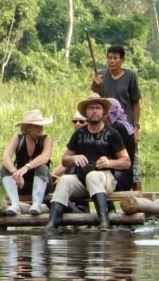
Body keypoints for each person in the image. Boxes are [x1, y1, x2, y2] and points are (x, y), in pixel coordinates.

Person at [45, 96, 131, 231]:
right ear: (86, 112)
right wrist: (74, 158)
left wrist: (109, 162)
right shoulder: (79, 133)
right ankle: (53, 222)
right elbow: (65, 159)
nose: (94, 111)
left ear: (103, 112)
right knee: (65, 180)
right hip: (81, 179)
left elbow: (126, 162)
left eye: (98, 108)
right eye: (91, 108)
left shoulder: (112, 133)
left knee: (93, 176)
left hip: (105, 178)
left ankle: (104, 221)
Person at [91, 45, 142, 189]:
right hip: (106, 127)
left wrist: (136, 127)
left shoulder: (130, 76)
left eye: (115, 58)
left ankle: (137, 198)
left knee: (133, 163)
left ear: (122, 60)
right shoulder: (100, 75)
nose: (111, 61)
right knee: (108, 160)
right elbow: (93, 98)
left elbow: (136, 103)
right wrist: (96, 85)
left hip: (126, 128)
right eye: (109, 58)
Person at [0, 109, 54, 216]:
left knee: (41, 166)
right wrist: (15, 172)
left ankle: (37, 205)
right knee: (4, 168)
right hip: (22, 183)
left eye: (41, 125)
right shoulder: (18, 139)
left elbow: (45, 157)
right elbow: (5, 157)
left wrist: (27, 167)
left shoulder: (46, 139)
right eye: (36, 126)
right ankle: (15, 205)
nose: (40, 128)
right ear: (27, 128)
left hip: (43, 183)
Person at [105, 97, 137, 192]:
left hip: (120, 176)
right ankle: (109, 207)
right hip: (126, 176)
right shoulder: (125, 125)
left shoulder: (116, 128)